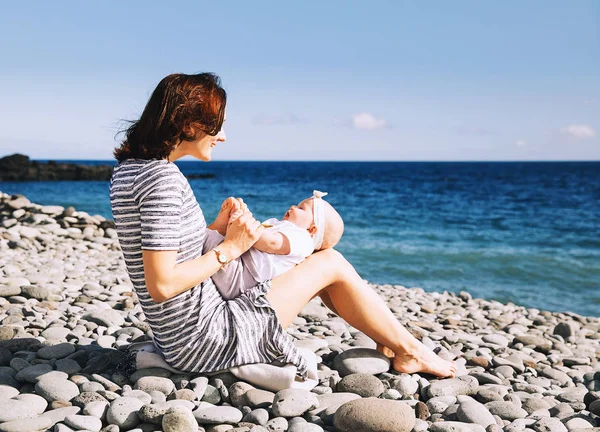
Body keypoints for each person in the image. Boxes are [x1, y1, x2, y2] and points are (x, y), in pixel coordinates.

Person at [109, 72, 456, 380]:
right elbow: (163, 284)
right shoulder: (162, 180)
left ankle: (392, 342)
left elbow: (170, 253)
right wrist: (232, 248)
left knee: (313, 263)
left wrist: (216, 226)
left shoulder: (130, 171)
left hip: (179, 334)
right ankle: (412, 350)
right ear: (188, 125)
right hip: (206, 339)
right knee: (330, 261)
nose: (223, 136)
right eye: (218, 124)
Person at [203, 191, 344, 300]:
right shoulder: (281, 225)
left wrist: (243, 222)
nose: (293, 207)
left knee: (207, 238)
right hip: (238, 265)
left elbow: (270, 243)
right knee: (213, 239)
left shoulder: (303, 239)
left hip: (241, 276)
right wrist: (242, 221)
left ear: (312, 229)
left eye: (301, 208)